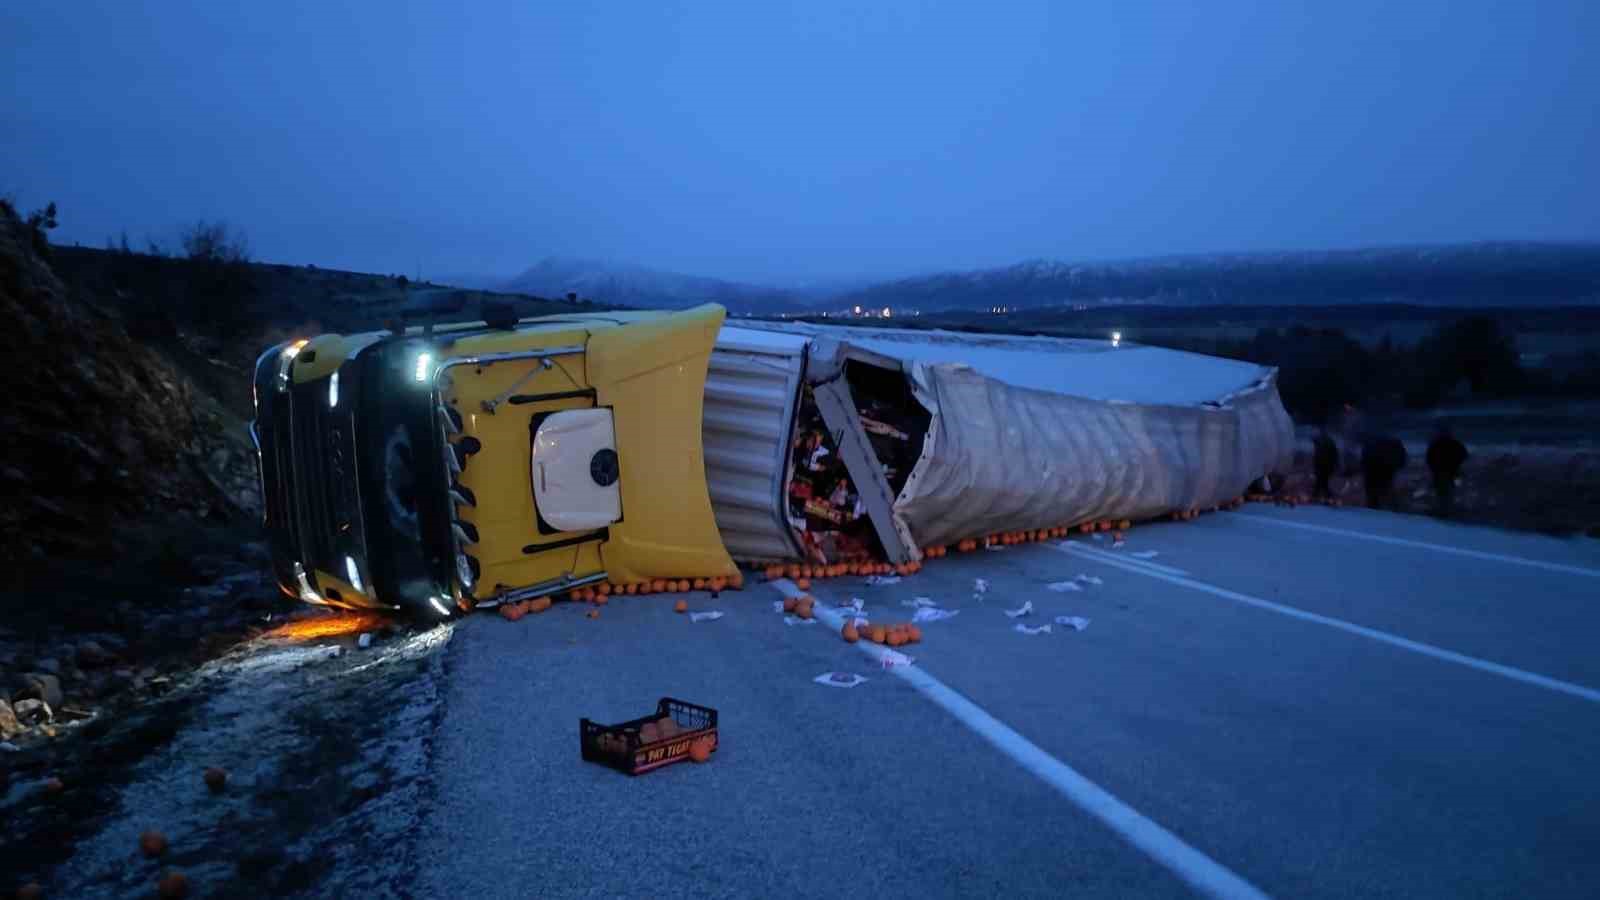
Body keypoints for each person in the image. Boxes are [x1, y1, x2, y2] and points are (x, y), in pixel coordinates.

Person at [1425, 424, 1469, 517]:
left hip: (1439, 472)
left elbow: (1429, 458)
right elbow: (1464, 455)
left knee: (1441, 491)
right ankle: (1448, 509)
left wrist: (1434, 468)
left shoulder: (1435, 444)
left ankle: (1443, 510)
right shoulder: (1455, 443)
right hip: (1452, 471)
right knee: (1449, 491)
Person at [1361, 434, 1409, 510]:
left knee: (1373, 492)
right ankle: (1391, 506)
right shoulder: (1394, 446)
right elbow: (1402, 459)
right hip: (1386, 471)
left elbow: (1364, 460)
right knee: (1386, 490)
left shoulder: (1371, 446)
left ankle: (1374, 506)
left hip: (1374, 471)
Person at [1312, 430, 1339, 500]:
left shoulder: (1322, 444)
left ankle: (1317, 495)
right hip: (1326, 466)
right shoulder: (1329, 443)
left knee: (1321, 482)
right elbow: (1335, 455)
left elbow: (1318, 457)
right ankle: (1321, 495)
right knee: (1322, 482)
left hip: (1323, 466)